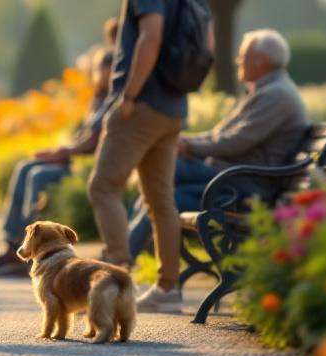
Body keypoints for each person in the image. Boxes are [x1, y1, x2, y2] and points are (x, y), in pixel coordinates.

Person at [89, 0, 210, 315]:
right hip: (174, 106)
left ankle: (116, 278)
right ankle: (169, 288)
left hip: (142, 104)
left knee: (103, 187)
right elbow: (206, 40)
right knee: (161, 200)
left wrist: (131, 95)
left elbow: (151, 36)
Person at [127, 29, 308, 258]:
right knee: (159, 189)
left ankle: (120, 255)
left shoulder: (276, 95)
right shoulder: (267, 90)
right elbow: (219, 135)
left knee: (163, 171)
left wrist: (188, 147)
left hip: (244, 186)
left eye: (243, 56)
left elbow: (236, 142)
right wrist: (181, 141)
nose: (237, 60)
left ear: (261, 61)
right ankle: (122, 253)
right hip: (232, 179)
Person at [0, 21, 118, 278]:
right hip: (74, 160)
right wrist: (59, 150)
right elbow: (82, 135)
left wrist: (61, 153)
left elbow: (94, 142)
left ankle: (28, 248)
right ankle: (13, 246)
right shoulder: (97, 99)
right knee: (26, 167)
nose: (97, 74)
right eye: (97, 69)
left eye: (102, 69)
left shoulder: (113, 101)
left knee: (38, 175)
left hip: (87, 167)